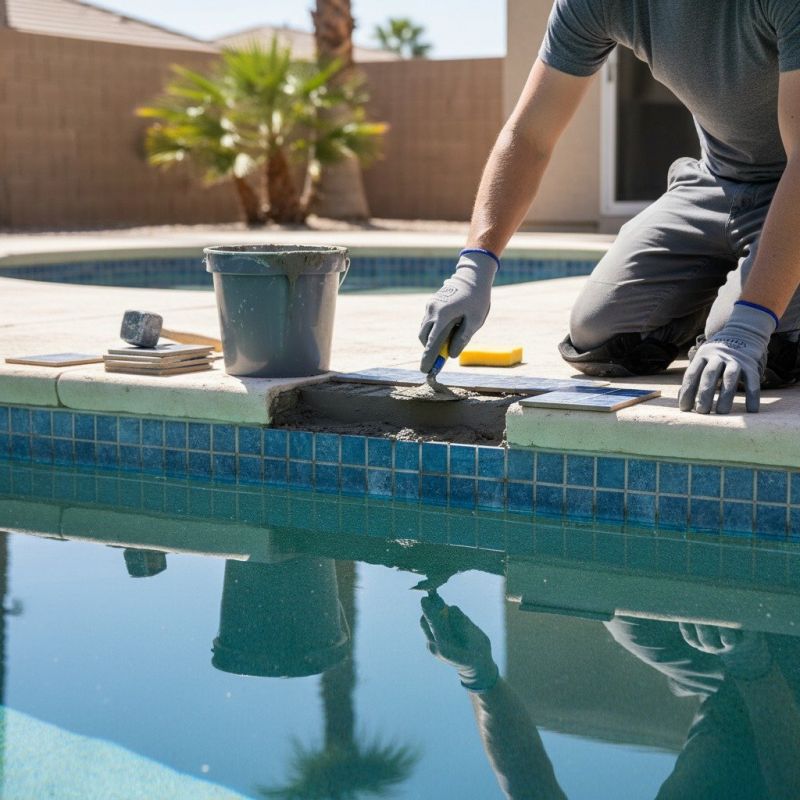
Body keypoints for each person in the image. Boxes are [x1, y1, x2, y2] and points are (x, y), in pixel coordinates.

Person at [418, 1, 800, 414]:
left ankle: (750, 304)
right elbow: (530, 135)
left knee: (761, 345)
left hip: (790, 181)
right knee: (599, 334)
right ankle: (733, 294)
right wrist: (475, 266)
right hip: (715, 182)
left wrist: (749, 324)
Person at [420, 593, 800, 799]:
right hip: (774, 693)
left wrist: (480, 677)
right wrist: (752, 665)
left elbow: (528, 788)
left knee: (625, 610)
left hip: (725, 689)